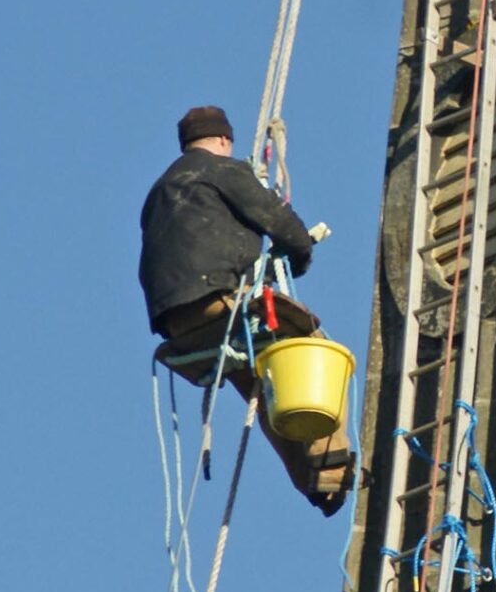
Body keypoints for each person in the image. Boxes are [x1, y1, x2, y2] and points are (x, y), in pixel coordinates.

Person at [140, 105, 355, 516]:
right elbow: (279, 220)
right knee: (317, 353)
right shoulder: (223, 170)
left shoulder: (159, 191)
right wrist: (300, 254)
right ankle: (327, 466)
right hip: (218, 302)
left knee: (264, 387)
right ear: (224, 140)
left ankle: (313, 485)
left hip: (178, 324)